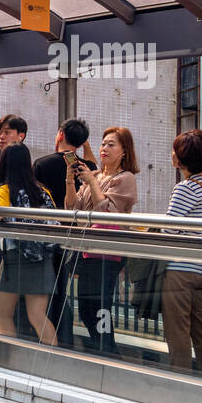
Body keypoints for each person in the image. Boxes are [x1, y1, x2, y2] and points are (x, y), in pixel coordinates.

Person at [71, 127, 139, 354]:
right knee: (87, 308)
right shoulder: (97, 177)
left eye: (111, 144)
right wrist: (70, 181)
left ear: (124, 152)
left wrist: (91, 181)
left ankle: (108, 353)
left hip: (109, 253)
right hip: (89, 250)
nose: (104, 149)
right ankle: (101, 351)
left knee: (101, 308)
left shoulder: (125, 178)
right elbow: (72, 207)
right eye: (103, 144)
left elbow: (105, 210)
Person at [33, 118, 98, 345]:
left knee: (43, 295)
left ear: (60, 134)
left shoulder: (41, 164)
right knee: (62, 290)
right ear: (81, 143)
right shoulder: (87, 169)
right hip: (75, 240)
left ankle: (53, 340)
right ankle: (66, 337)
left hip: (46, 239)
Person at [161, 129, 202, 376]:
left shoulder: (185, 187)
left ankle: (179, 382)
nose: (172, 154)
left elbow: (168, 229)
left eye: (175, 150)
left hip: (181, 270)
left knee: (178, 331)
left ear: (182, 158)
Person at [0, 143, 59, 346]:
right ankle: (54, 362)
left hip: (15, 258)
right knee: (37, 315)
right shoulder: (42, 191)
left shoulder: (5, 190)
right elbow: (55, 222)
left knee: (4, 315)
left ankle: (7, 362)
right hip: (42, 258)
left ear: (4, 164)